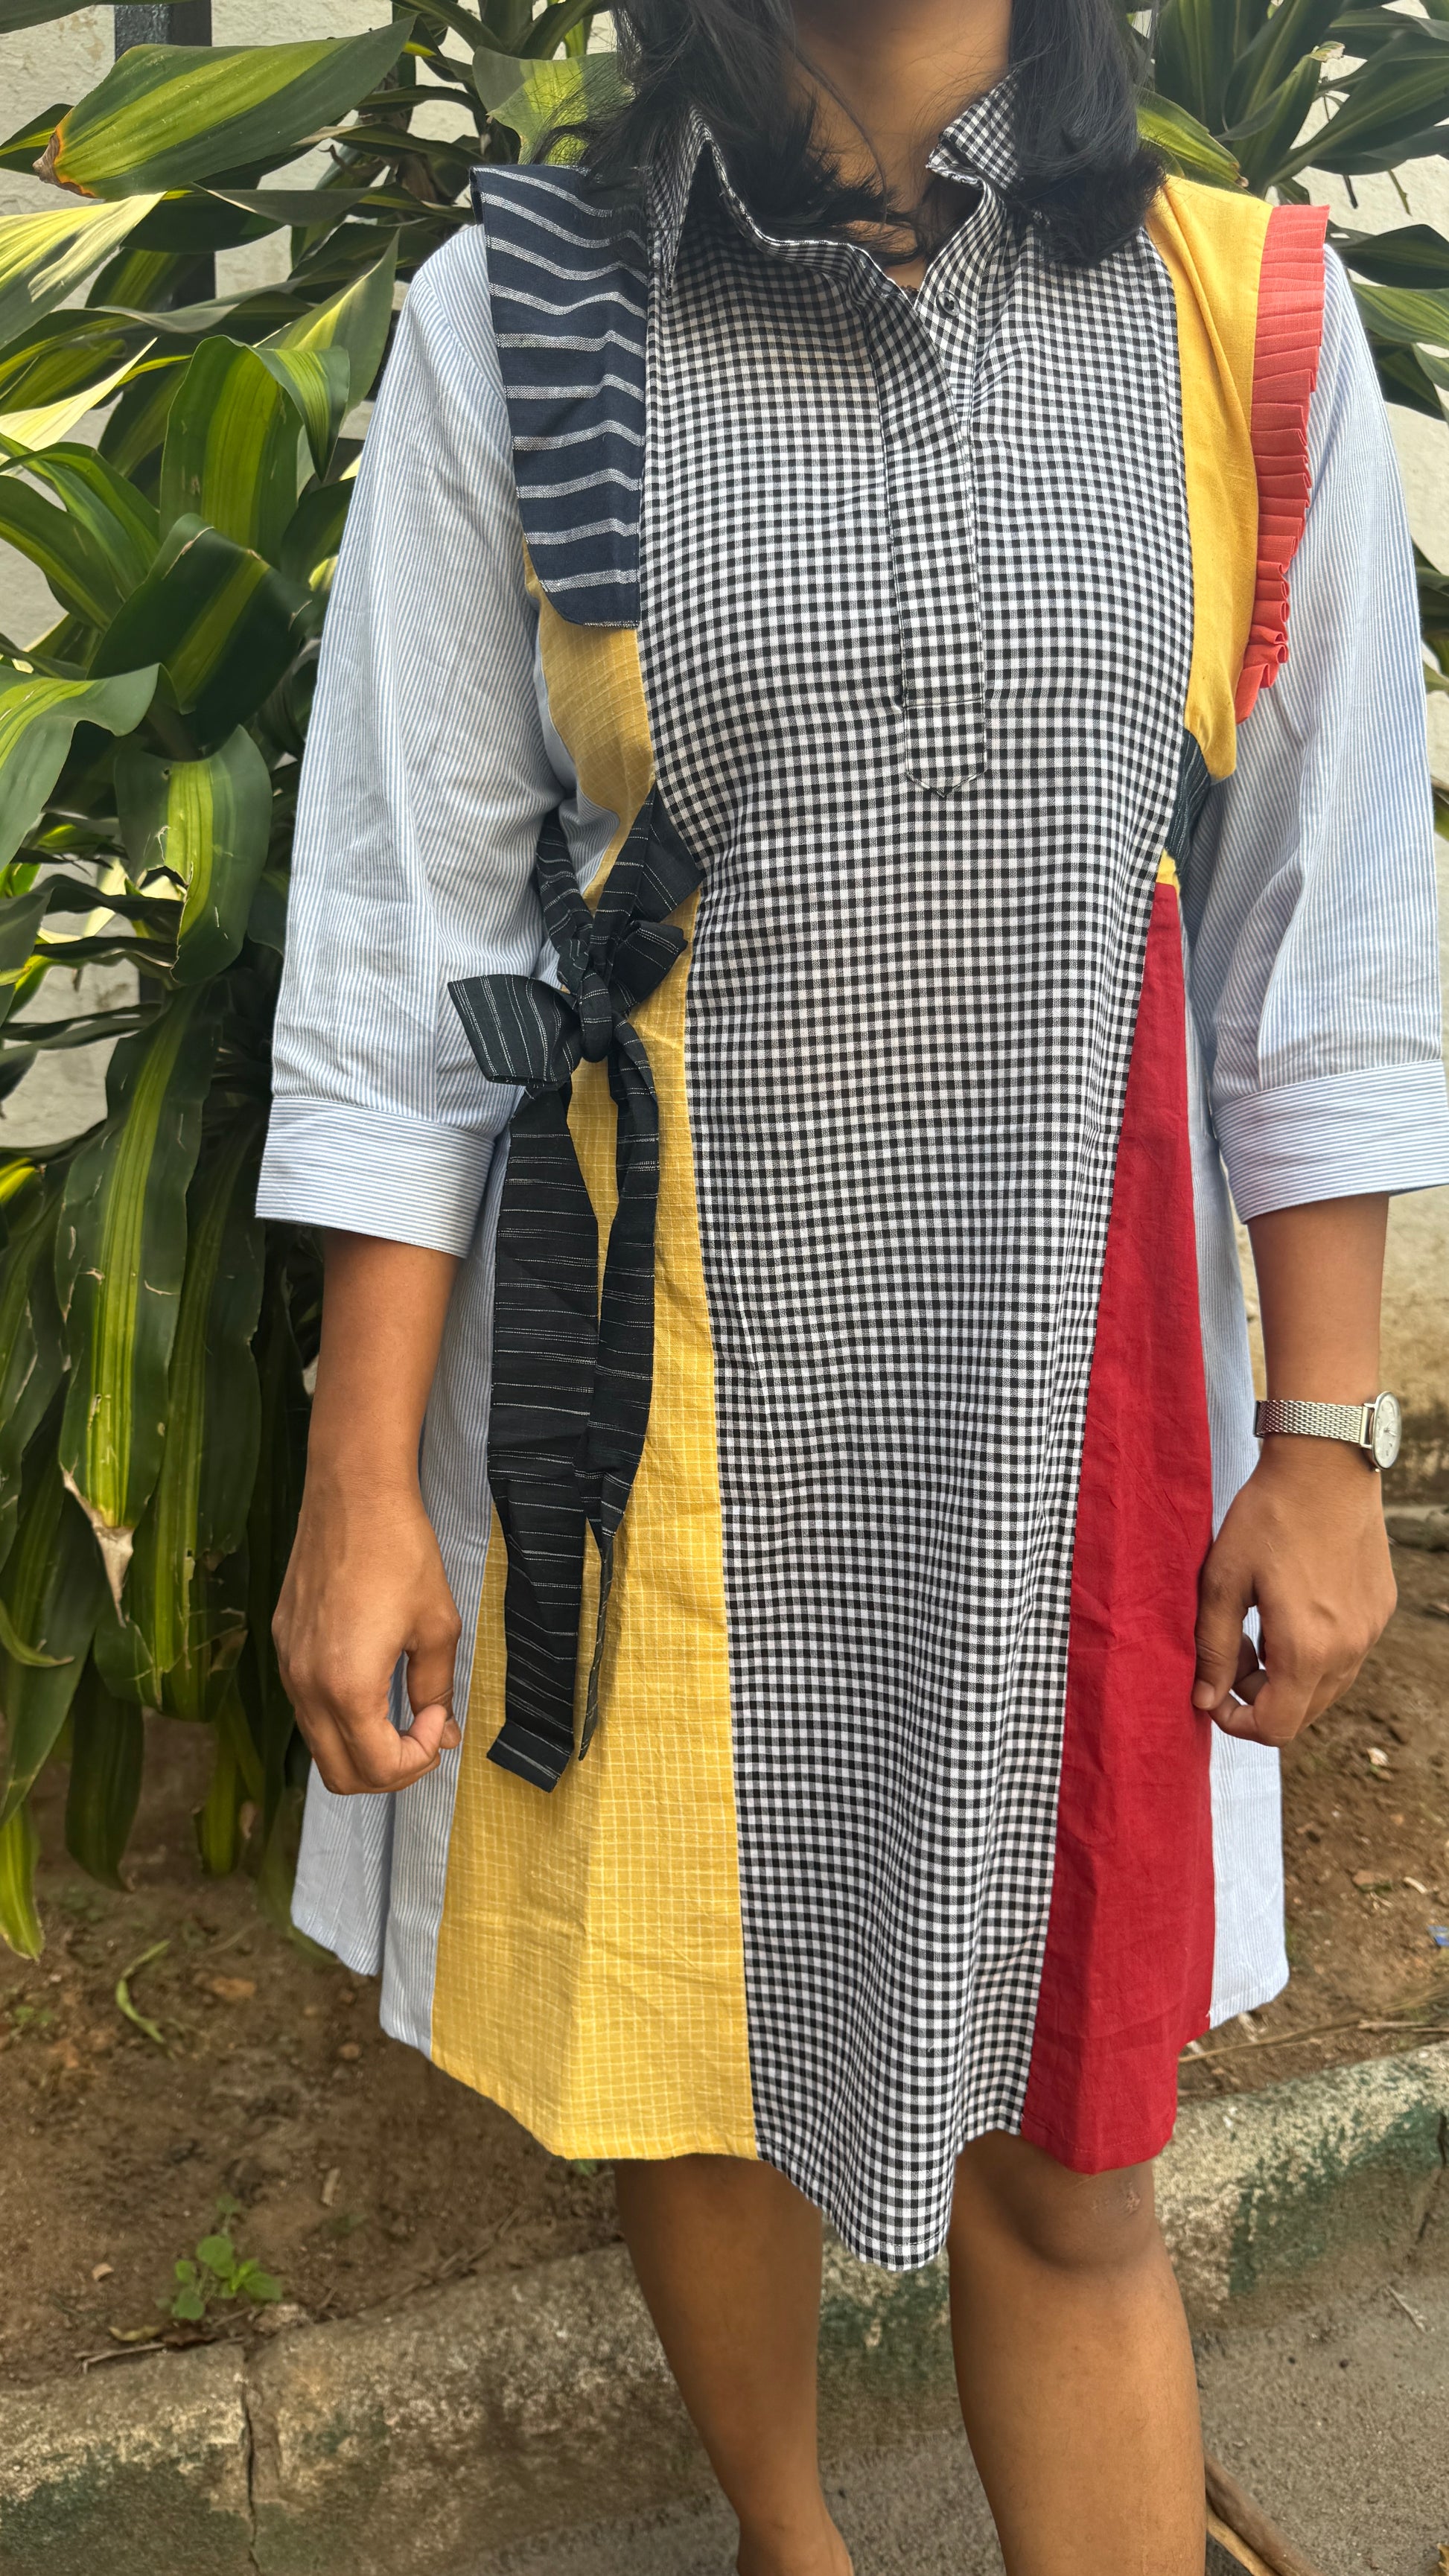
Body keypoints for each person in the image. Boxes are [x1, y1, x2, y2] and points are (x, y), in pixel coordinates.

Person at [257, 0, 1449, 2565]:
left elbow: (1317, 926)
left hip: (1068, 1396)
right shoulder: (529, 314)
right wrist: (361, 1480)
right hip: (665, 1381)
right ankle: (788, 2539)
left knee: (1073, 2157)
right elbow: (408, 927)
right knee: (691, 2046)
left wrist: (1322, 1434)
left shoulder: (1237, 317)